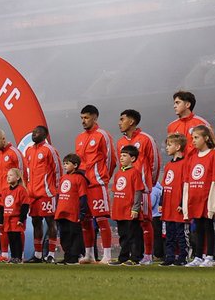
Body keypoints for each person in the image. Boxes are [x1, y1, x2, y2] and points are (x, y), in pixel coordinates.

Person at [117, 109, 159, 264]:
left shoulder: (146, 139)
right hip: (126, 191)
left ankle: (147, 256)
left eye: (122, 119)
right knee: (128, 223)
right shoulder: (120, 142)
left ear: (132, 121)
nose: (119, 123)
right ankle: (128, 255)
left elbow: (154, 163)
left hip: (143, 189)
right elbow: (121, 166)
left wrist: (149, 184)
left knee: (145, 221)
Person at [75, 105, 115, 262]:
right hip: (83, 187)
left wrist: (104, 178)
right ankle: (89, 255)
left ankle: (107, 255)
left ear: (95, 117)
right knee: (85, 221)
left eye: (86, 118)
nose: (83, 121)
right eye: (81, 118)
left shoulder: (102, 135)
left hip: (97, 184)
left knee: (101, 219)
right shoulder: (79, 138)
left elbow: (111, 159)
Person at [183, 125, 215, 267]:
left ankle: (210, 256)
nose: (193, 141)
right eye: (192, 138)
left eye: (196, 137)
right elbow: (188, 181)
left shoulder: (213, 155)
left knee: (208, 227)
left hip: (207, 199)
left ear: (206, 138)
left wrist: (214, 203)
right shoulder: (192, 157)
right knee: (197, 229)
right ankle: (198, 256)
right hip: (195, 199)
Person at [24, 125, 61, 263]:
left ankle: (51, 254)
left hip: (47, 193)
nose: (34, 134)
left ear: (45, 135)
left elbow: (57, 170)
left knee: (50, 221)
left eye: (37, 132)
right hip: (33, 194)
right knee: (36, 222)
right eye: (33, 132)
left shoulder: (49, 150)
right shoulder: (29, 151)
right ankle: (38, 255)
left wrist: (56, 190)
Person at [0, 129, 24, 261]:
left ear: (4, 139)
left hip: (13, 196)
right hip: (0, 195)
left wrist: (20, 193)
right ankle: (4, 255)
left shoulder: (15, 153)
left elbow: (21, 173)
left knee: (16, 226)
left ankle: (18, 256)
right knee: (2, 225)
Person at [110, 145, 146, 265]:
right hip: (119, 210)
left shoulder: (135, 173)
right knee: (123, 235)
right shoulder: (118, 174)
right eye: (121, 155)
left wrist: (135, 209)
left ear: (133, 158)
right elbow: (115, 192)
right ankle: (123, 257)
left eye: (125, 155)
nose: (121, 158)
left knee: (133, 235)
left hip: (130, 210)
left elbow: (137, 191)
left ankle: (135, 258)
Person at [54, 154, 90, 265]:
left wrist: (82, 212)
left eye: (67, 163)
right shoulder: (63, 178)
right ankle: (67, 256)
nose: (65, 166)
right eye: (64, 163)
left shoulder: (80, 179)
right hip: (61, 212)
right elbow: (59, 195)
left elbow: (83, 196)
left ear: (75, 165)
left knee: (74, 234)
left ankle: (74, 257)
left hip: (73, 212)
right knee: (64, 235)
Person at [160, 133, 188, 266]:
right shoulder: (168, 166)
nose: (167, 148)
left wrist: (182, 203)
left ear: (177, 147)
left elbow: (185, 186)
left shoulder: (185, 164)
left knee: (180, 233)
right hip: (168, 205)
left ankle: (182, 256)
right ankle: (169, 256)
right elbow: (165, 186)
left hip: (178, 205)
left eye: (169, 145)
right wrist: (161, 202)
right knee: (169, 233)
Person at [0, 168, 31, 263]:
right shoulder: (5, 191)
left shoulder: (21, 190)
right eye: (8, 175)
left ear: (17, 177)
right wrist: (0, 220)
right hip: (7, 218)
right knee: (10, 238)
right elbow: (2, 206)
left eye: (11, 175)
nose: (8, 177)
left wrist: (21, 219)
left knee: (16, 237)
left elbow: (25, 206)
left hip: (16, 218)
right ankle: (13, 256)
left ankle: (18, 257)